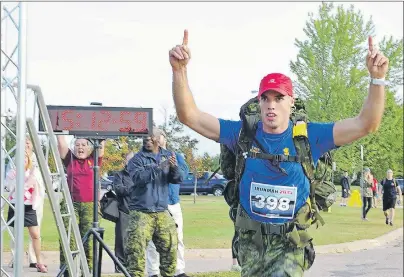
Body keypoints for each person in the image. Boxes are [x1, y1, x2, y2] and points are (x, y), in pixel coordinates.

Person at [169, 30, 388, 276]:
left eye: (278, 97)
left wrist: (377, 79)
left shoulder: (310, 136)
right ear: (259, 102)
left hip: (290, 244)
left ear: (290, 102)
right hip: (251, 242)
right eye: (265, 98)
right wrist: (180, 71)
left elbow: (366, 124)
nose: (271, 104)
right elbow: (190, 116)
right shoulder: (241, 134)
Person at [125, 128, 184, 277]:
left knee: (170, 248)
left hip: (161, 210)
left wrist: (174, 167)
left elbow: (178, 178)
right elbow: (138, 178)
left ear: (159, 139)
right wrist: (159, 167)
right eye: (145, 138)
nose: (148, 140)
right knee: (136, 253)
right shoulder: (136, 160)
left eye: (151, 137)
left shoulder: (168, 155)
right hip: (141, 211)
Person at [57, 136, 104, 275]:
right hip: (72, 204)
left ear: (89, 147)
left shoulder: (94, 159)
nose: (80, 147)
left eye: (83, 144)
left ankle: (86, 270)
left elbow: (102, 143)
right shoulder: (70, 159)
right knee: (68, 238)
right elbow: (61, 142)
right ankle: (67, 269)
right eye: (77, 145)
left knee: (88, 240)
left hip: (90, 205)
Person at [146, 131, 190, 277]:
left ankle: (179, 270)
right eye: (154, 136)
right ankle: (153, 272)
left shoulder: (175, 156)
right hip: (153, 204)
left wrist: (174, 167)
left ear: (165, 138)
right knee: (153, 241)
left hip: (172, 203)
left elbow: (182, 176)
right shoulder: (147, 157)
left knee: (177, 238)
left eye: (160, 135)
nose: (157, 138)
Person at [5, 145, 48, 273]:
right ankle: (15, 260)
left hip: (29, 207)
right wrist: (17, 178)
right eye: (20, 159)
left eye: (24, 159)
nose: (22, 161)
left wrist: (29, 177)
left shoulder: (32, 172)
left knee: (35, 235)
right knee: (15, 235)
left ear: (28, 160)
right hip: (15, 206)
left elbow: (31, 185)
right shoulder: (11, 173)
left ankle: (38, 261)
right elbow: (9, 186)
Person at [113, 151, 135, 272]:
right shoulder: (119, 175)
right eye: (129, 160)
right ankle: (120, 265)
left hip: (138, 212)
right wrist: (133, 188)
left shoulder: (139, 174)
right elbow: (119, 189)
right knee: (121, 239)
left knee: (135, 240)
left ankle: (133, 265)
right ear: (125, 161)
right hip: (124, 211)